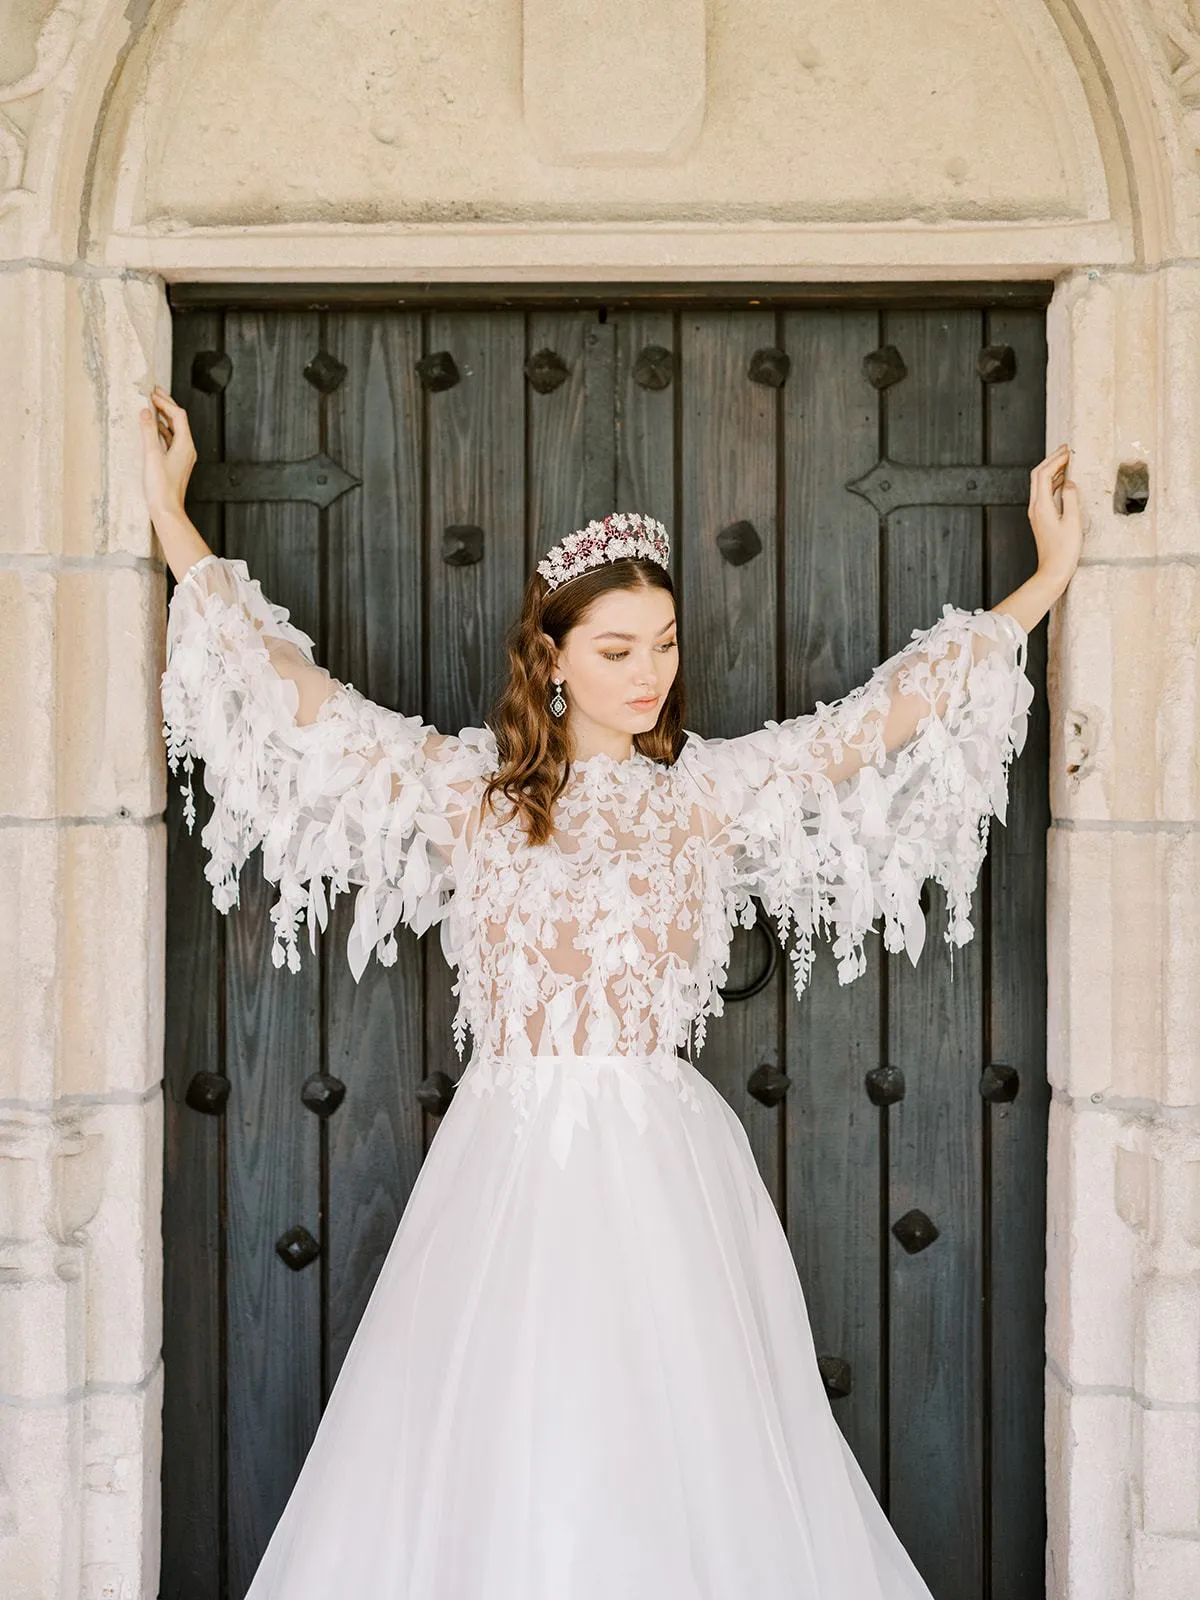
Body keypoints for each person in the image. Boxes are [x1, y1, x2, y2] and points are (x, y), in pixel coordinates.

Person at [141, 384, 1081, 1599]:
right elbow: (292, 699)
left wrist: (1046, 579)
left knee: (691, 1454)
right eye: (619, 649)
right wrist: (173, 517)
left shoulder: (704, 793)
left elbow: (881, 725)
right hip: (508, 1165)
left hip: (664, 1169)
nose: (652, 673)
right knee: (506, 1451)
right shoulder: (471, 794)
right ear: (553, 656)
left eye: (668, 643)